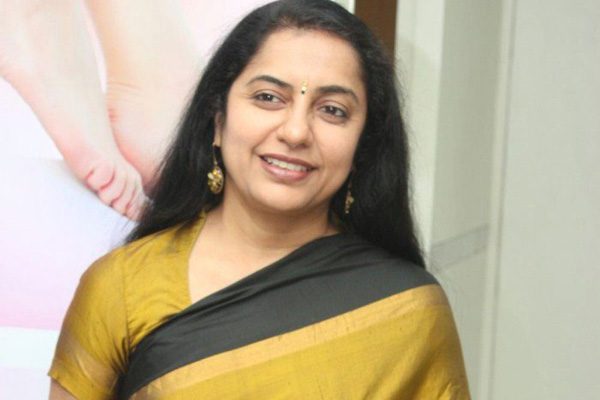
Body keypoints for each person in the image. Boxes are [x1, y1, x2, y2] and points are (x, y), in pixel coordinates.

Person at [48, 0, 470, 398]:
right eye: (268, 98)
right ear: (218, 120)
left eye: (333, 110)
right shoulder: (122, 287)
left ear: (362, 146)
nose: (296, 132)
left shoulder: (406, 310)